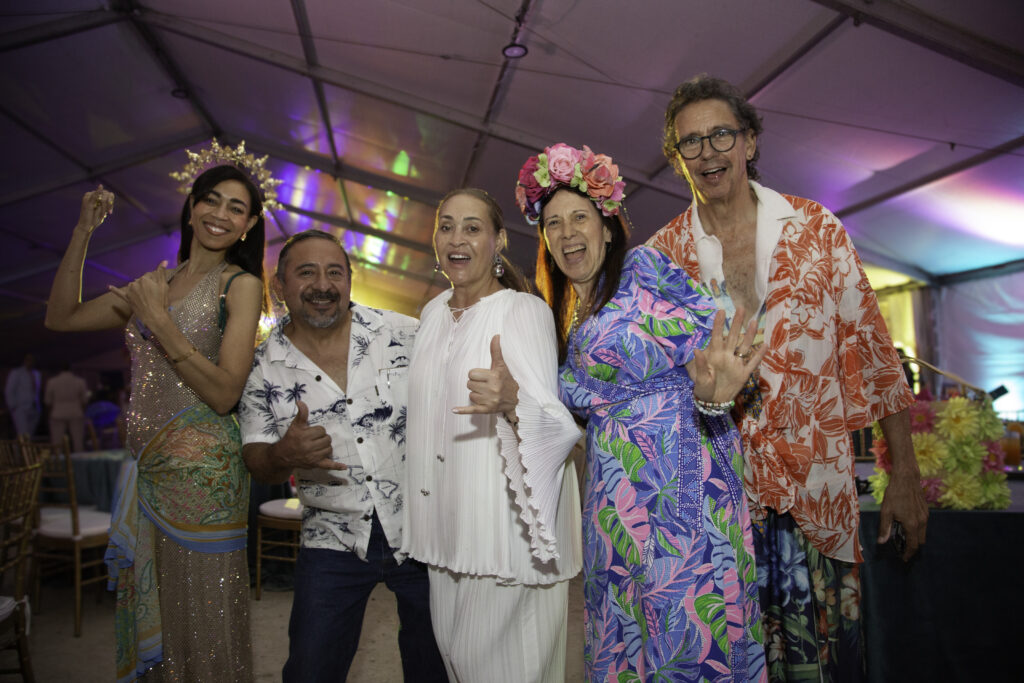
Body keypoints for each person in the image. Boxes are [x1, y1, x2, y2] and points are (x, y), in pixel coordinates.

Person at [647, 74, 929, 680]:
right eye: (689, 143)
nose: (708, 152)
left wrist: (902, 474)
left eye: (720, 134)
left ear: (748, 141)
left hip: (820, 500)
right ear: (677, 161)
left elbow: (875, 355)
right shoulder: (662, 259)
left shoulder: (817, 232)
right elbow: (652, 394)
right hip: (721, 511)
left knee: (828, 666)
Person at [511, 144, 767, 681]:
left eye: (579, 217)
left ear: (608, 227)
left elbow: (716, 333)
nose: (566, 233)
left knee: (691, 633)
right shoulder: (559, 317)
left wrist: (715, 386)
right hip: (614, 498)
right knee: (623, 639)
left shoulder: (644, 267)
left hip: (681, 480)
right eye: (552, 224)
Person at [46, 160, 268, 681]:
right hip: (146, 475)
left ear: (249, 226)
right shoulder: (152, 284)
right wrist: (83, 232)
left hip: (205, 482)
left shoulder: (240, 285)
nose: (220, 214)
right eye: (211, 200)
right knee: (160, 618)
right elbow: (61, 317)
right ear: (192, 207)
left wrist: (162, 323)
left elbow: (224, 393)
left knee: (205, 618)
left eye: (236, 208)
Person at [237, 230, 446, 683]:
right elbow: (255, 457)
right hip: (332, 538)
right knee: (312, 669)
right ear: (280, 285)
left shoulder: (405, 334)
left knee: (436, 663)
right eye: (306, 272)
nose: (323, 284)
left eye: (335, 272)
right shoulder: (262, 366)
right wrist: (283, 454)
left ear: (350, 280)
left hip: (422, 531)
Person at [402, 188, 582, 682]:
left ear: (499, 240)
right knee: (459, 666)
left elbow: (559, 425)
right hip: (444, 533)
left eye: (473, 228)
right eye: (446, 226)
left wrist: (511, 401)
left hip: (504, 536)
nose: (457, 239)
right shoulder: (433, 312)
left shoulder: (523, 311)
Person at [45, 362, 90, 452]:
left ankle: (59, 463)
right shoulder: (80, 381)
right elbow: (84, 400)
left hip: (57, 413)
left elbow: (48, 401)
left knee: (57, 442)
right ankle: (80, 462)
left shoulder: (52, 382)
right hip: (75, 412)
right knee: (78, 442)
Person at [5, 354, 41, 438]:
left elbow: (36, 390)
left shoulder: (36, 374)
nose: (30, 362)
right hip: (20, 407)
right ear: (24, 361)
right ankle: (20, 450)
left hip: (34, 407)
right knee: (23, 432)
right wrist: (13, 405)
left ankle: (23, 450)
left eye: (32, 360)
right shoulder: (16, 373)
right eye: (28, 360)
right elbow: (9, 390)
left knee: (30, 434)